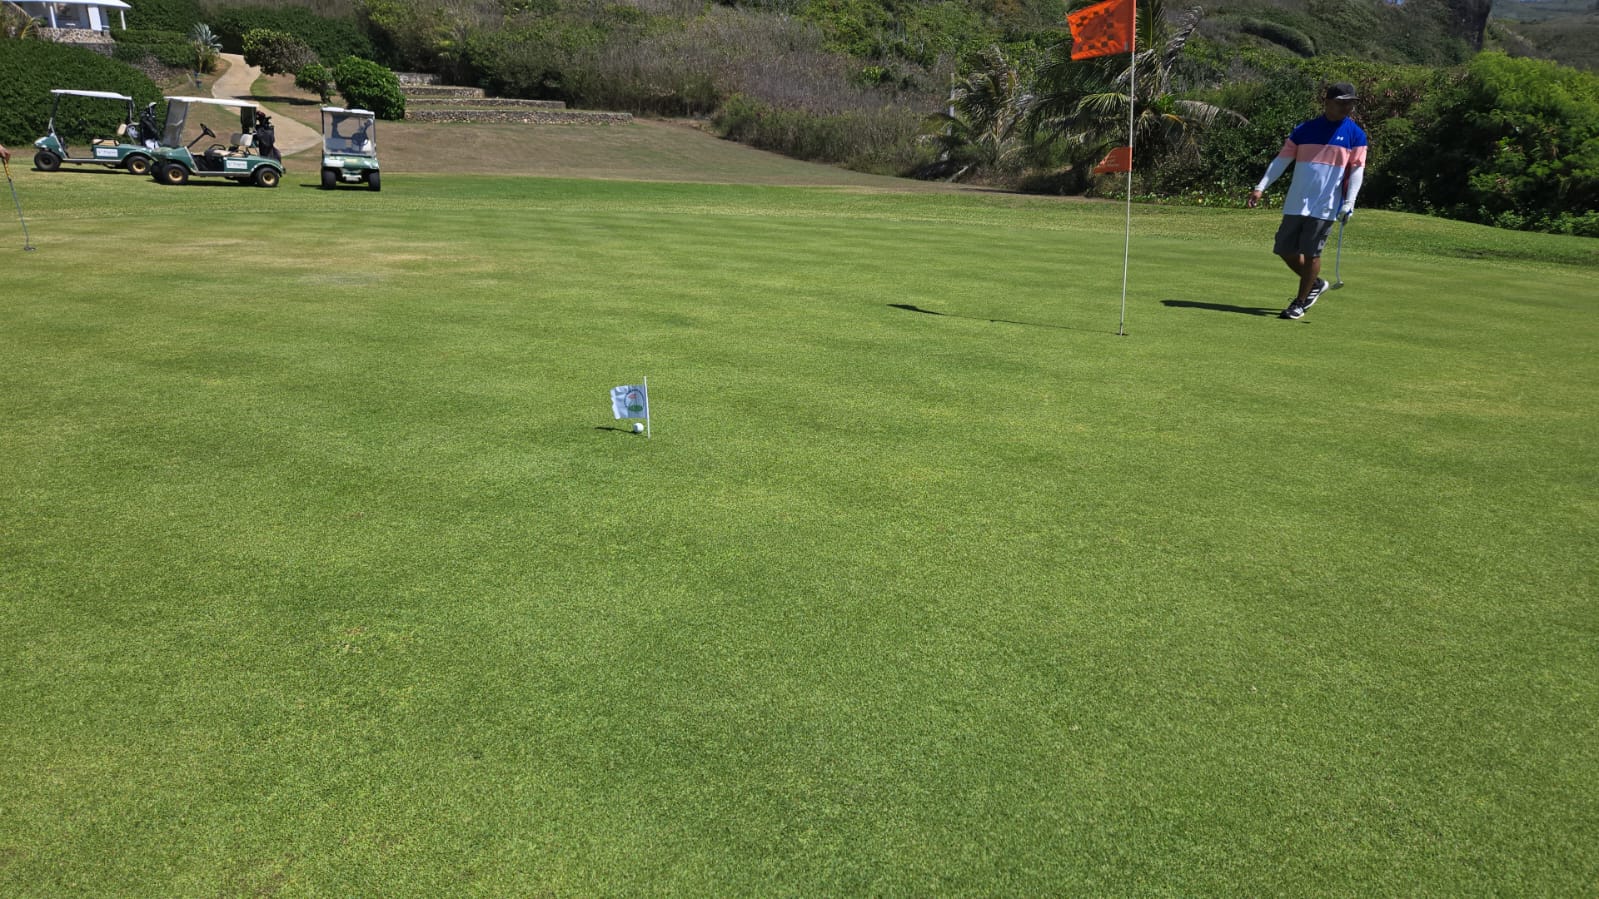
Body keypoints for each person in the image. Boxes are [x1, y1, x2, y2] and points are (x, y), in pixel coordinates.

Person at [1247, 82, 1367, 320]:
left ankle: (1300, 303)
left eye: (1350, 103)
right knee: (1283, 247)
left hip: (1327, 203)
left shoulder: (1355, 134)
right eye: (1341, 102)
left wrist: (1349, 202)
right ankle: (1315, 283)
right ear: (1327, 102)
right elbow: (1281, 160)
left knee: (1312, 253)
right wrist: (1261, 187)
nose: (1346, 107)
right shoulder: (1304, 130)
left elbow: (1356, 170)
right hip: (1297, 200)